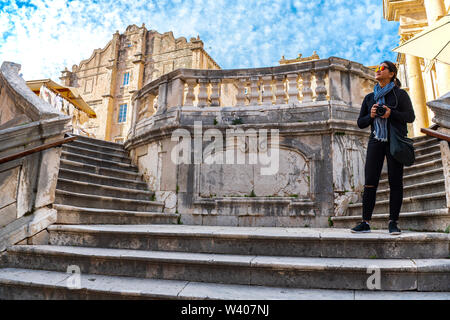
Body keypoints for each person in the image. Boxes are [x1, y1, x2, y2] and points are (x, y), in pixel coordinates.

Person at [351, 61, 415, 235]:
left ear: (392, 73)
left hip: (394, 141)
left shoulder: (400, 94)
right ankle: (365, 222)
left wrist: (390, 113)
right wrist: (371, 116)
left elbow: (410, 117)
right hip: (376, 141)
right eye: (377, 69)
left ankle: (393, 222)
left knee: (395, 182)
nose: (378, 71)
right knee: (370, 182)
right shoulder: (369, 98)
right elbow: (360, 123)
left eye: (382, 68)